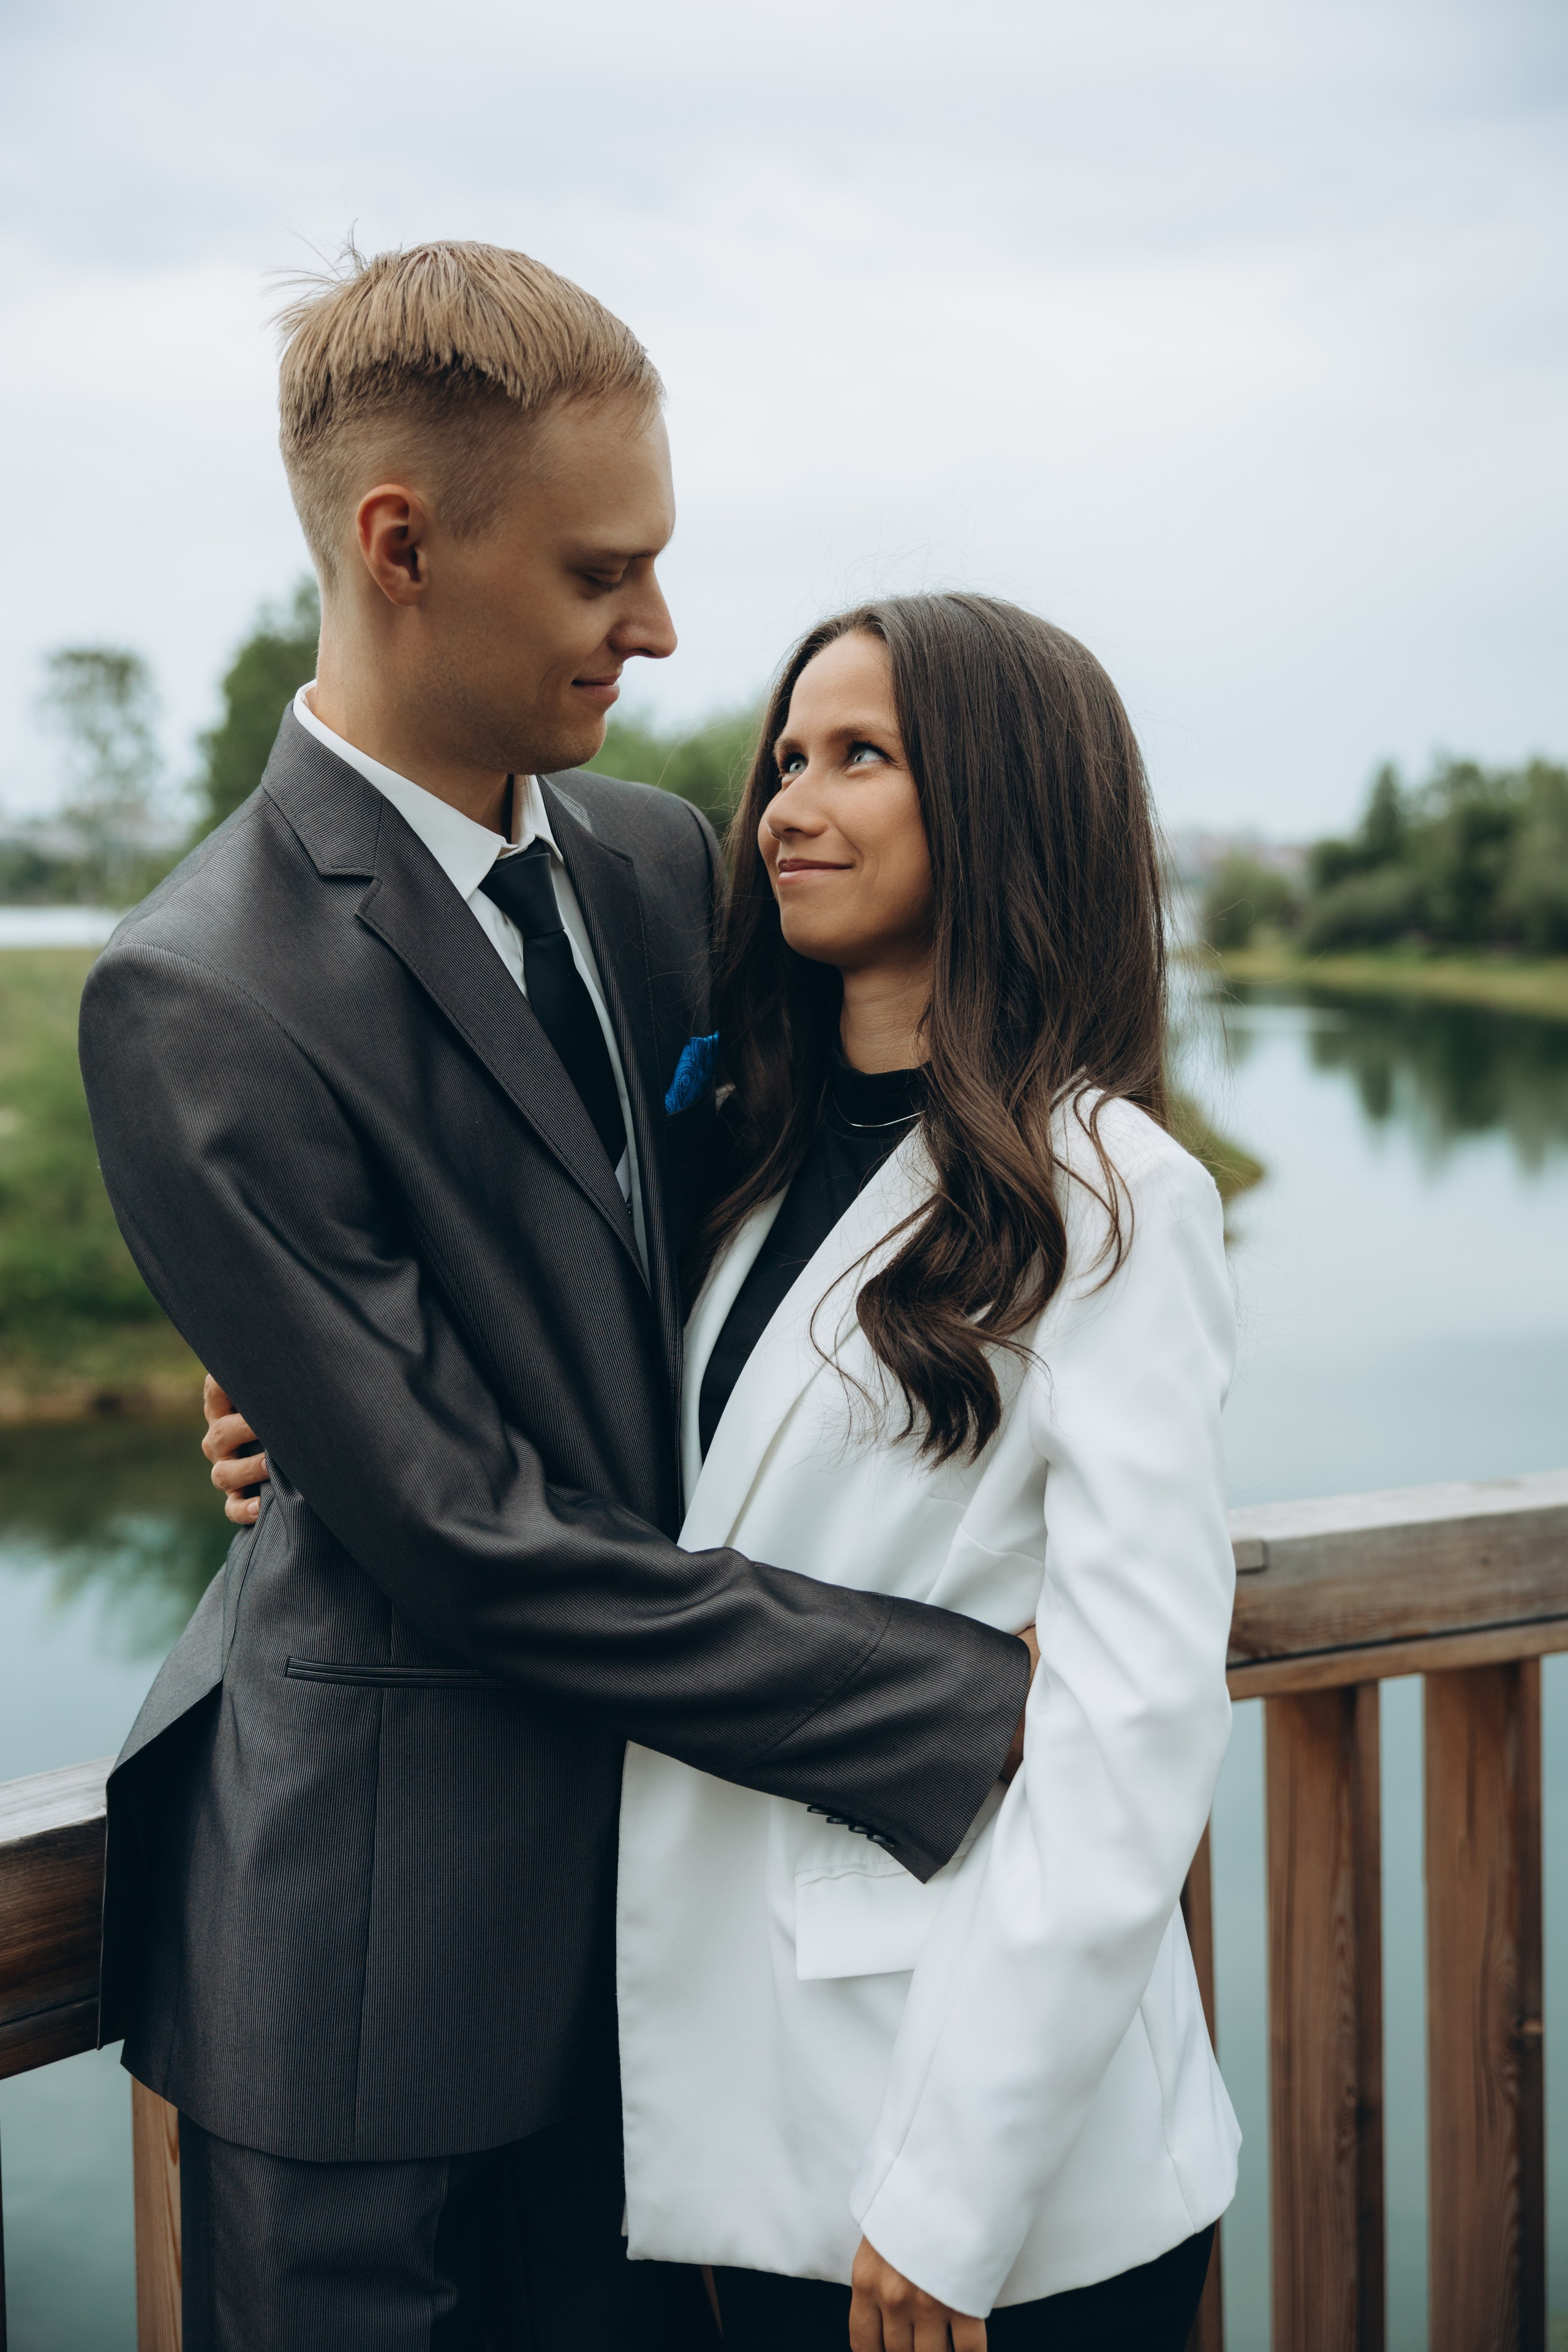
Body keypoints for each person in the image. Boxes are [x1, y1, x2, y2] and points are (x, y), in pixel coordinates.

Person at [77, 244, 1031, 2352]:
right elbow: (461, 1535)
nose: (664, 626)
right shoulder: (196, 986)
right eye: (606, 573)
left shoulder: (646, 860)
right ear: (401, 545)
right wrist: (967, 1698)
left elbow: (778, 1241)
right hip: (365, 1990)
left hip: (665, 1951)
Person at [611, 596, 1241, 2349]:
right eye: (786, 760)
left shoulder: (1112, 1201)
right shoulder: (740, 1164)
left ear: (1004, 802)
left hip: (982, 2172)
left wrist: (960, 2192)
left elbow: (1132, 1732)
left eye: (861, 758)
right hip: (732, 2126)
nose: (789, 806)